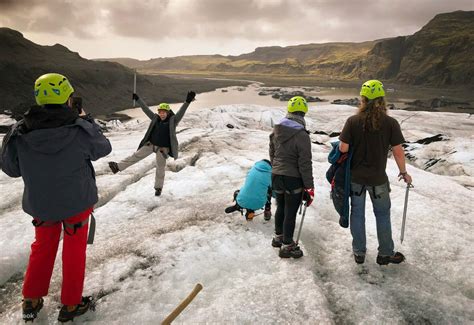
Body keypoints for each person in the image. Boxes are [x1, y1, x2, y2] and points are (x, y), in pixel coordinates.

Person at [1, 73, 112, 322]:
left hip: (41, 204)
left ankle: (31, 299)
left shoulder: (21, 130)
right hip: (77, 203)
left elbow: (11, 168)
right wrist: (86, 119)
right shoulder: (80, 128)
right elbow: (103, 148)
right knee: (74, 251)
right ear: (67, 97)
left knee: (42, 247)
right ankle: (71, 305)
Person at [338, 79, 412, 265]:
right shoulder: (390, 123)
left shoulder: (353, 121)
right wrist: (403, 172)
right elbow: (397, 151)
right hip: (378, 179)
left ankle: (359, 252)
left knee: (357, 214)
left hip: (356, 179)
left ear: (363, 99)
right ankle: (385, 253)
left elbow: (344, 148)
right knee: (382, 215)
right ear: (381, 99)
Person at [108, 91, 195, 196]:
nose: (161, 114)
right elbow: (146, 110)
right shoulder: (155, 119)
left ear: (168, 112)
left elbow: (181, 112)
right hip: (151, 145)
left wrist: (187, 101)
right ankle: (117, 167)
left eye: (164, 112)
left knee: (160, 168)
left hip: (162, 149)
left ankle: (158, 188)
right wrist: (138, 99)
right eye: (160, 112)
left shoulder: (173, 121)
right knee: (135, 156)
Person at [269, 96, 314, 259]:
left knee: (280, 206)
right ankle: (288, 245)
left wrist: (276, 168)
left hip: (276, 175)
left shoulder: (276, 130)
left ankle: (278, 237)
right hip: (292, 178)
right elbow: (305, 163)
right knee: (290, 211)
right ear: (303, 114)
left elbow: (272, 153)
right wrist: (309, 186)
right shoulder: (301, 135)